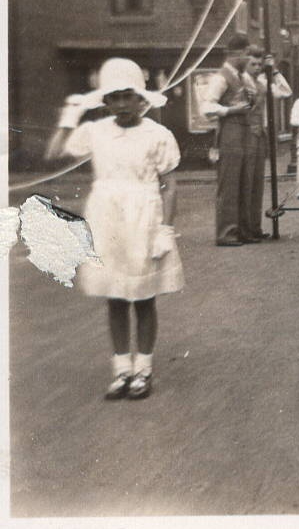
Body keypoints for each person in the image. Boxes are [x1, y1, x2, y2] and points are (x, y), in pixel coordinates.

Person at [47, 58, 183, 400]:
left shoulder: (158, 135)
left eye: (128, 96)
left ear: (141, 98)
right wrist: (69, 118)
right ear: (105, 102)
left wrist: (165, 229)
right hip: (107, 217)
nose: (122, 104)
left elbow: (170, 183)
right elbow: (52, 154)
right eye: (114, 97)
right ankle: (122, 369)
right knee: (116, 297)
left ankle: (144, 369)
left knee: (143, 296)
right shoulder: (95, 131)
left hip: (144, 218)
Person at [201, 34, 257, 246]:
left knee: (243, 180)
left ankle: (240, 230)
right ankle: (225, 232)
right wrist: (231, 110)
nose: (248, 60)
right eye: (247, 55)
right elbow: (206, 107)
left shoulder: (242, 77)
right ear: (238, 54)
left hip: (242, 131)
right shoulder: (221, 77)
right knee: (230, 182)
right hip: (229, 132)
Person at [242, 52, 292, 240]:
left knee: (257, 183)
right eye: (253, 64)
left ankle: (255, 227)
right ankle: (246, 228)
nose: (257, 68)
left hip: (260, 132)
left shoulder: (263, 82)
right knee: (247, 182)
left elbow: (286, 92)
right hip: (246, 132)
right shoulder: (243, 81)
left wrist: (275, 71)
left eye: (259, 65)